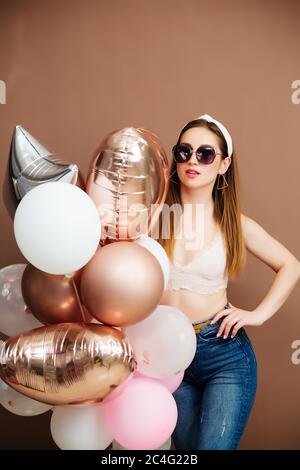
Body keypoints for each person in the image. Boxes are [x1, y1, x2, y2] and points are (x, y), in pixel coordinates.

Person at [157, 113, 300, 450]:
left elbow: (290, 265)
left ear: (223, 165)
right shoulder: (159, 218)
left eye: (205, 154)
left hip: (223, 355)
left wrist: (257, 314)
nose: (193, 161)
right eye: (184, 152)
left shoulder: (233, 224)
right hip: (168, 356)